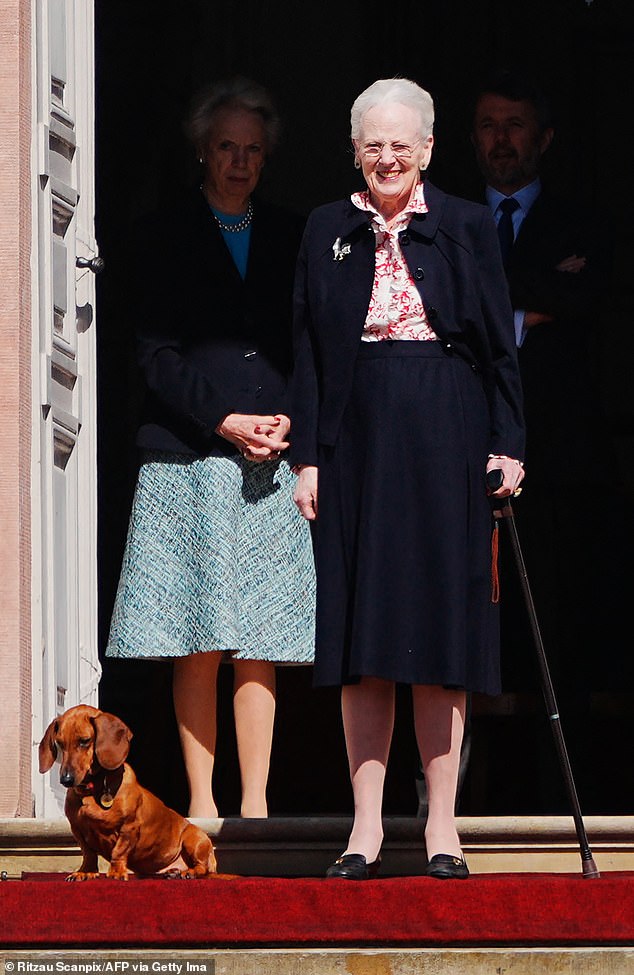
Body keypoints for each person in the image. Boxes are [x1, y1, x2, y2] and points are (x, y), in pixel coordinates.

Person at [291, 77, 525, 879]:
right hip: (356, 436)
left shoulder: (462, 224)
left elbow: (499, 344)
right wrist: (309, 458)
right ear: (355, 150)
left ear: (428, 149)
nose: (387, 157)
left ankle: (442, 829)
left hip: (446, 431)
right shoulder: (328, 227)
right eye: (373, 144)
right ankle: (364, 829)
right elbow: (311, 355)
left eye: (403, 144)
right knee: (365, 639)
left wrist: (509, 443)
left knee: (441, 633)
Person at [105, 76, 315, 820]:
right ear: (201, 149)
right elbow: (155, 355)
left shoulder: (295, 234)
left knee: (259, 634)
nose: (239, 161)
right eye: (226, 146)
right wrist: (222, 420)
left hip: (271, 459)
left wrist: (290, 420)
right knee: (197, 632)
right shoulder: (159, 234)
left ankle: (253, 808)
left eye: (253, 150)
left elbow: (312, 344)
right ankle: (200, 804)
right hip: (188, 459)